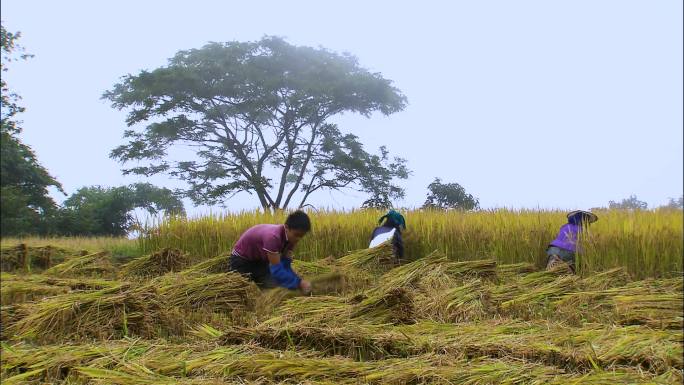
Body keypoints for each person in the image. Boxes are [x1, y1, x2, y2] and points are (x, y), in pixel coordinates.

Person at [229, 210, 312, 293]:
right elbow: (277, 269)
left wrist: (297, 281)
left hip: (260, 261)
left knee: (274, 289)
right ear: (286, 228)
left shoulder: (290, 240)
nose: (298, 239)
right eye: (296, 235)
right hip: (241, 260)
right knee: (241, 292)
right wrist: (299, 283)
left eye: (301, 236)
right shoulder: (273, 237)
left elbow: (285, 265)